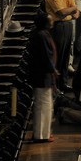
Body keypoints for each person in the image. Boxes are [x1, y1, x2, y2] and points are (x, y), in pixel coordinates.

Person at [26, 11, 58, 143]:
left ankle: (43, 133)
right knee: (43, 105)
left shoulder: (40, 34)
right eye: (50, 20)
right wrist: (53, 70)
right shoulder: (41, 35)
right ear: (45, 23)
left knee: (45, 104)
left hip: (42, 74)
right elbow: (46, 56)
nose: (52, 21)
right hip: (42, 75)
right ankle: (40, 135)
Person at [44, 0, 79, 82]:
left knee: (66, 55)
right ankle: (57, 84)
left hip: (68, 24)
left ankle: (63, 81)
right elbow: (61, 12)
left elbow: (75, 11)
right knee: (58, 55)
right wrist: (72, 9)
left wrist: (72, 10)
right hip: (58, 26)